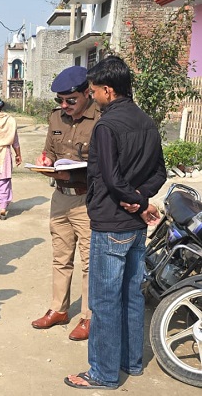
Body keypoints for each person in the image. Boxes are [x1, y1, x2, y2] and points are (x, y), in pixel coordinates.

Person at [65, 56, 166, 390]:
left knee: (105, 300)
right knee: (132, 295)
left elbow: (110, 178)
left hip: (111, 223)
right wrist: (142, 200)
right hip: (135, 226)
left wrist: (132, 199)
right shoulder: (146, 121)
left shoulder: (106, 125)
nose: (92, 97)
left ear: (108, 90)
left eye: (94, 91)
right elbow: (159, 173)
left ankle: (103, 372)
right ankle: (130, 362)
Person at [31, 66, 100, 341]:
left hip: (87, 199)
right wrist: (45, 160)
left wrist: (73, 174)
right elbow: (49, 151)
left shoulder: (101, 119)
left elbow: (105, 164)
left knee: (90, 261)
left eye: (70, 100)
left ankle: (89, 317)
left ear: (87, 93)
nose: (64, 106)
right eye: (60, 100)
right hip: (60, 198)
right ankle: (58, 309)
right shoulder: (56, 118)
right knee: (61, 257)